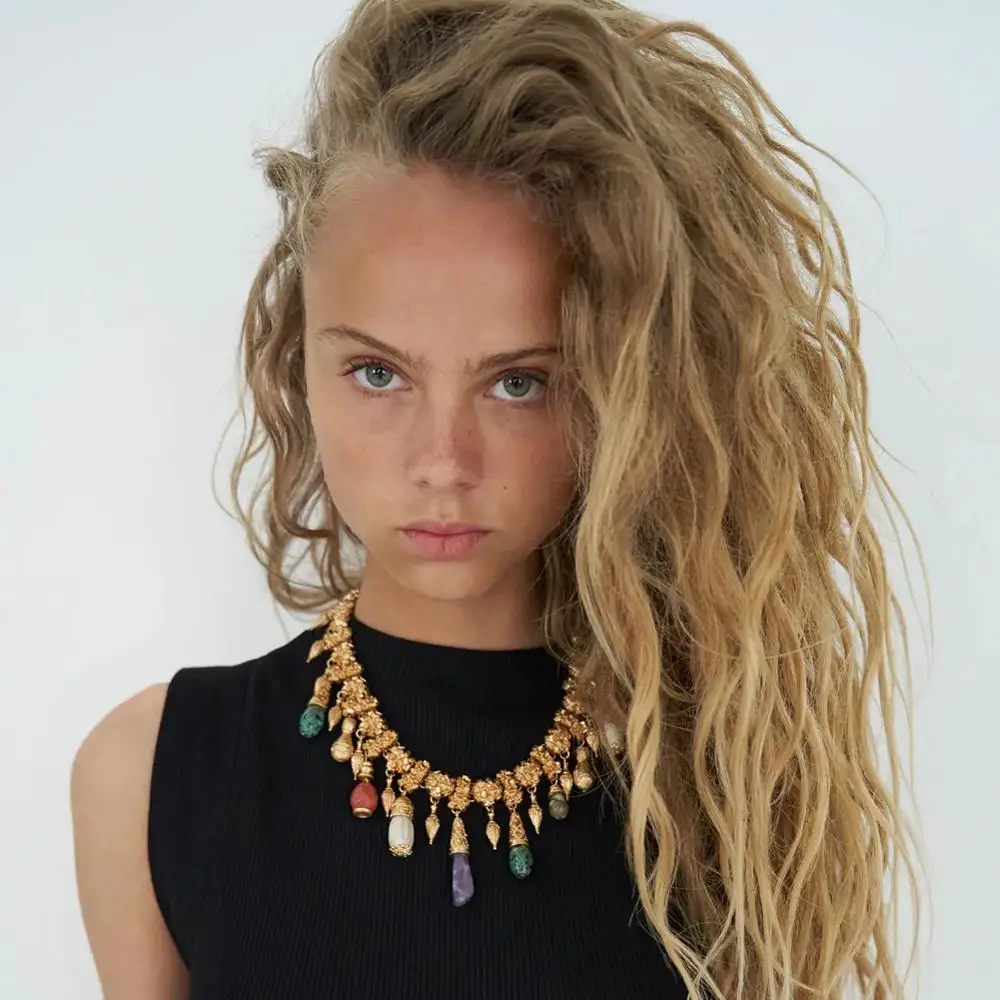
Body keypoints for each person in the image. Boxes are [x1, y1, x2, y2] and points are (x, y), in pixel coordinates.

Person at [70, 0, 926, 997]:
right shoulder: (151, 777)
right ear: (297, 359)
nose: (444, 461)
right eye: (379, 374)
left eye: (518, 382)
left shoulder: (712, 788)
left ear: (620, 390)